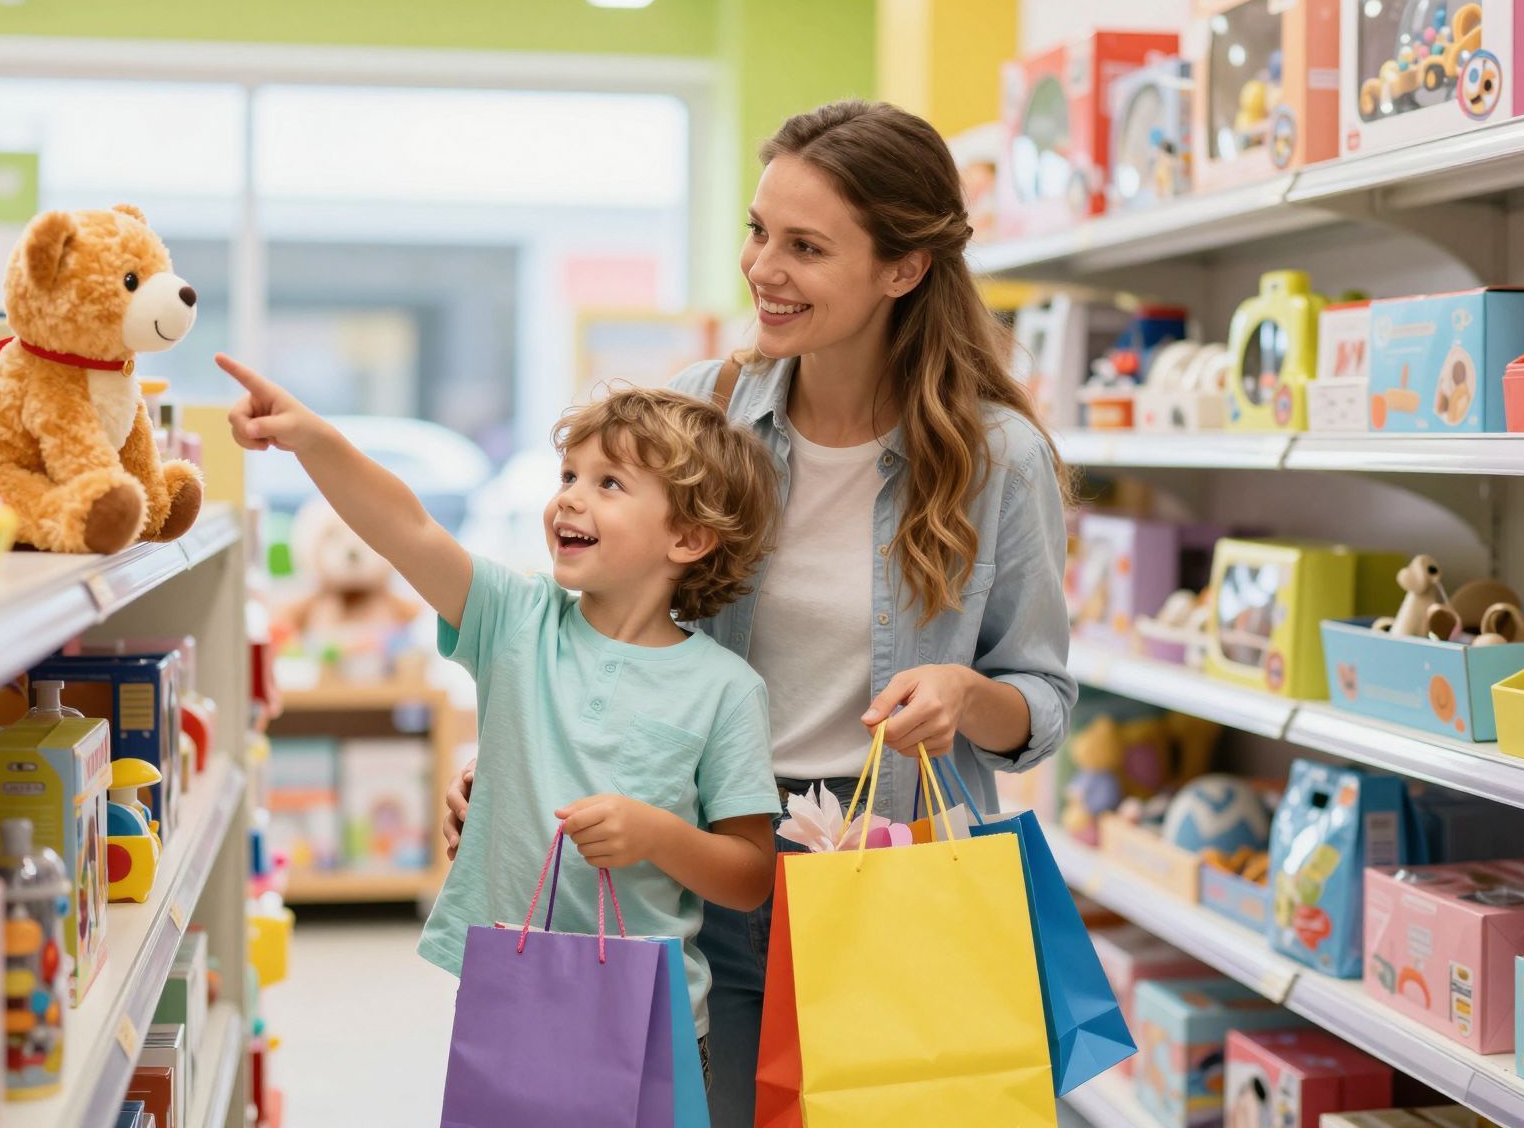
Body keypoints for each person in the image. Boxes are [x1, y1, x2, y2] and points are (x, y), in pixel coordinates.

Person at [445, 98, 1076, 1124]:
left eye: (805, 247)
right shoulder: (708, 408)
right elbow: (607, 622)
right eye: (757, 231)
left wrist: (967, 695)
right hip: (703, 855)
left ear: (903, 269)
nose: (761, 268)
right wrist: (522, 758)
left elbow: (1040, 700)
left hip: (885, 866)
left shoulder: (995, 458)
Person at [217, 358, 786, 1082]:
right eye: (568, 476)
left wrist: (657, 835)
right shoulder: (517, 620)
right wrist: (312, 438)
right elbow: (406, 527)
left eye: (609, 483)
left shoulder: (727, 689)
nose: (569, 498)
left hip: (651, 1022)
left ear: (689, 538)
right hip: (511, 992)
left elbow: (750, 875)